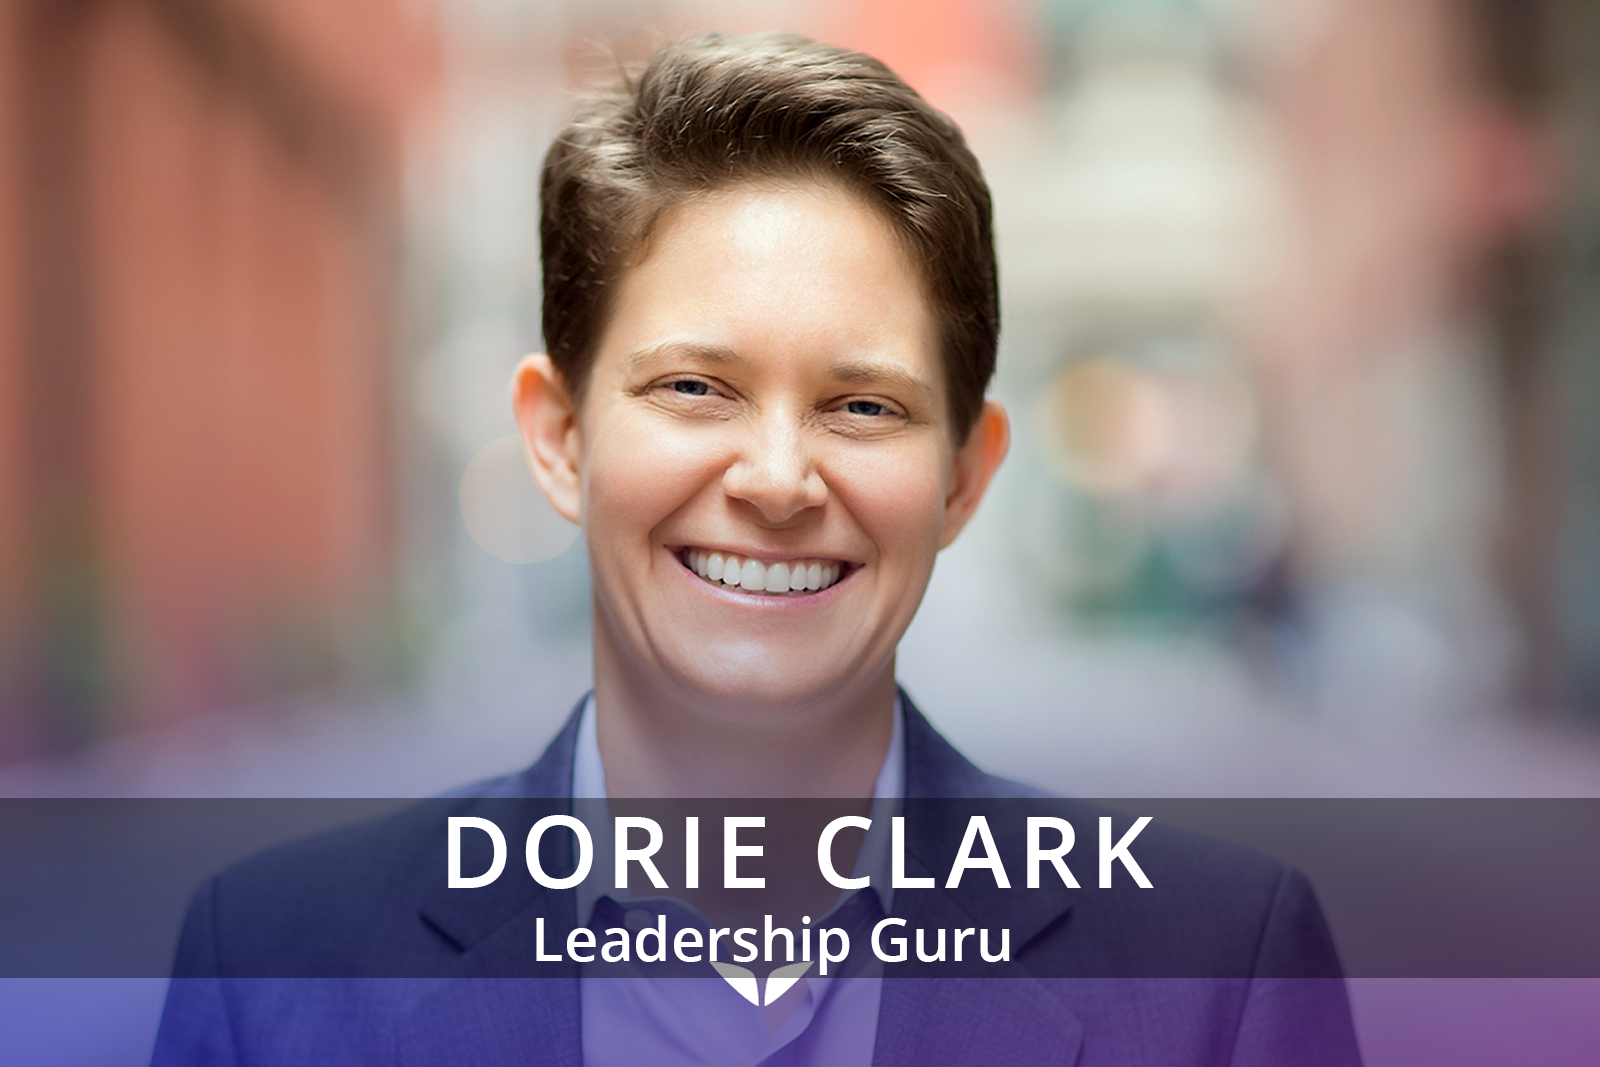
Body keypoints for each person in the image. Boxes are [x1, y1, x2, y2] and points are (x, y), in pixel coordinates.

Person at [151, 32, 1362, 1067]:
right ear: (560, 438)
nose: (778, 480)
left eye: (863, 406)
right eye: (694, 386)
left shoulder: (1220, 972)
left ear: (963, 475)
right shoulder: (269, 970)